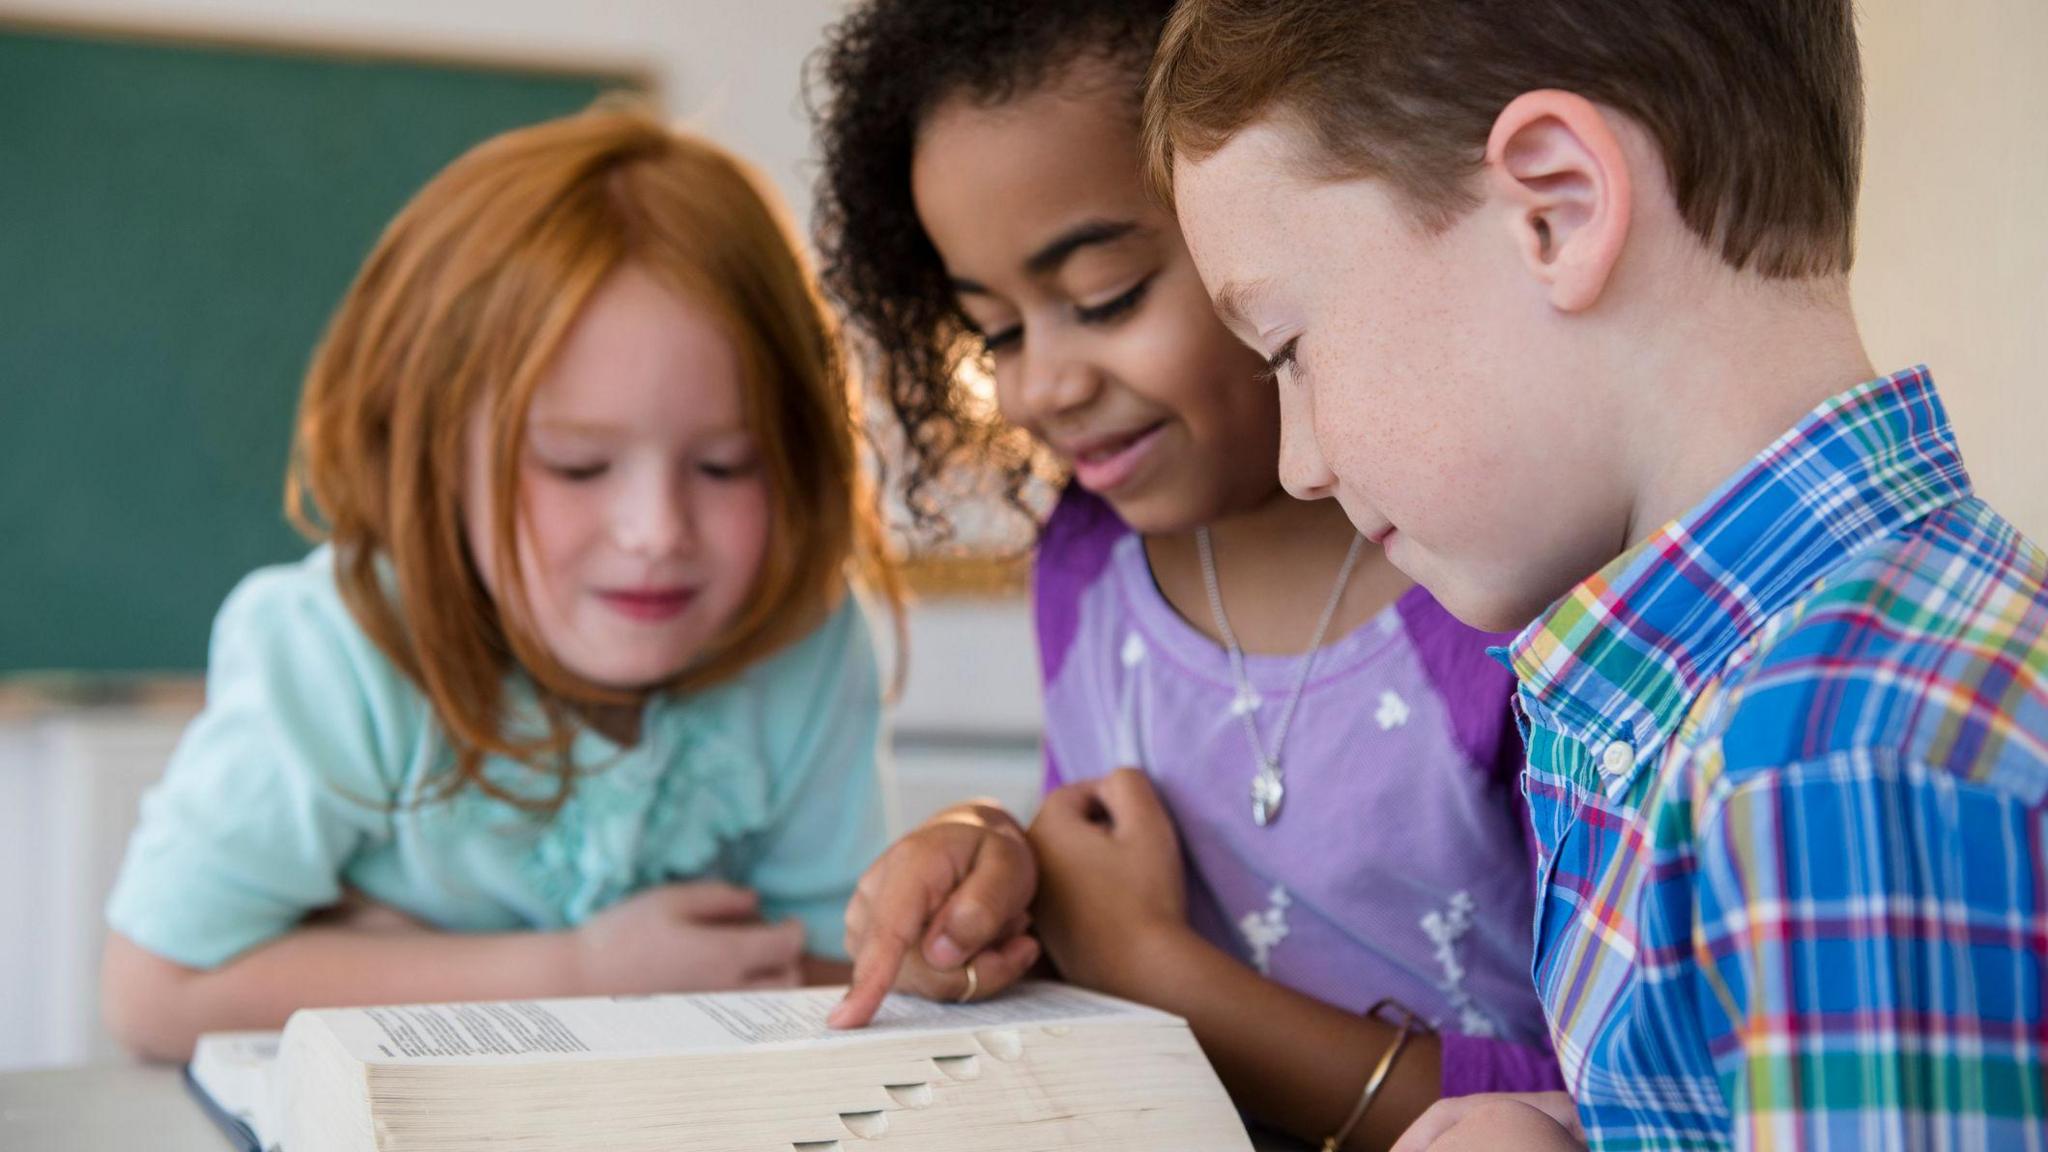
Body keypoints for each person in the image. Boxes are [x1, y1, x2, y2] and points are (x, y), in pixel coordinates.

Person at [1148, 1, 2048, 1148]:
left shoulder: (1833, 769)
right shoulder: (1743, 701)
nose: (1298, 462)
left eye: (1287, 349)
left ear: (1554, 210)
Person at [810, 4, 1559, 1147]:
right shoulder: (1087, 557)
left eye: (1103, 294)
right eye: (993, 331)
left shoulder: (1497, 583)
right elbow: (1095, 866)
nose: (1035, 388)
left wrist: (1162, 977)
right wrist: (992, 861)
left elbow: (1619, 1097)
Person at [101, 107, 893, 1062]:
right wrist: (580, 977)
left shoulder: (798, 643)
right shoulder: (339, 651)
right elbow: (154, 992)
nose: (657, 533)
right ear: (434, 460)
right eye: (574, 466)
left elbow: (829, 965)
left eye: (727, 465)